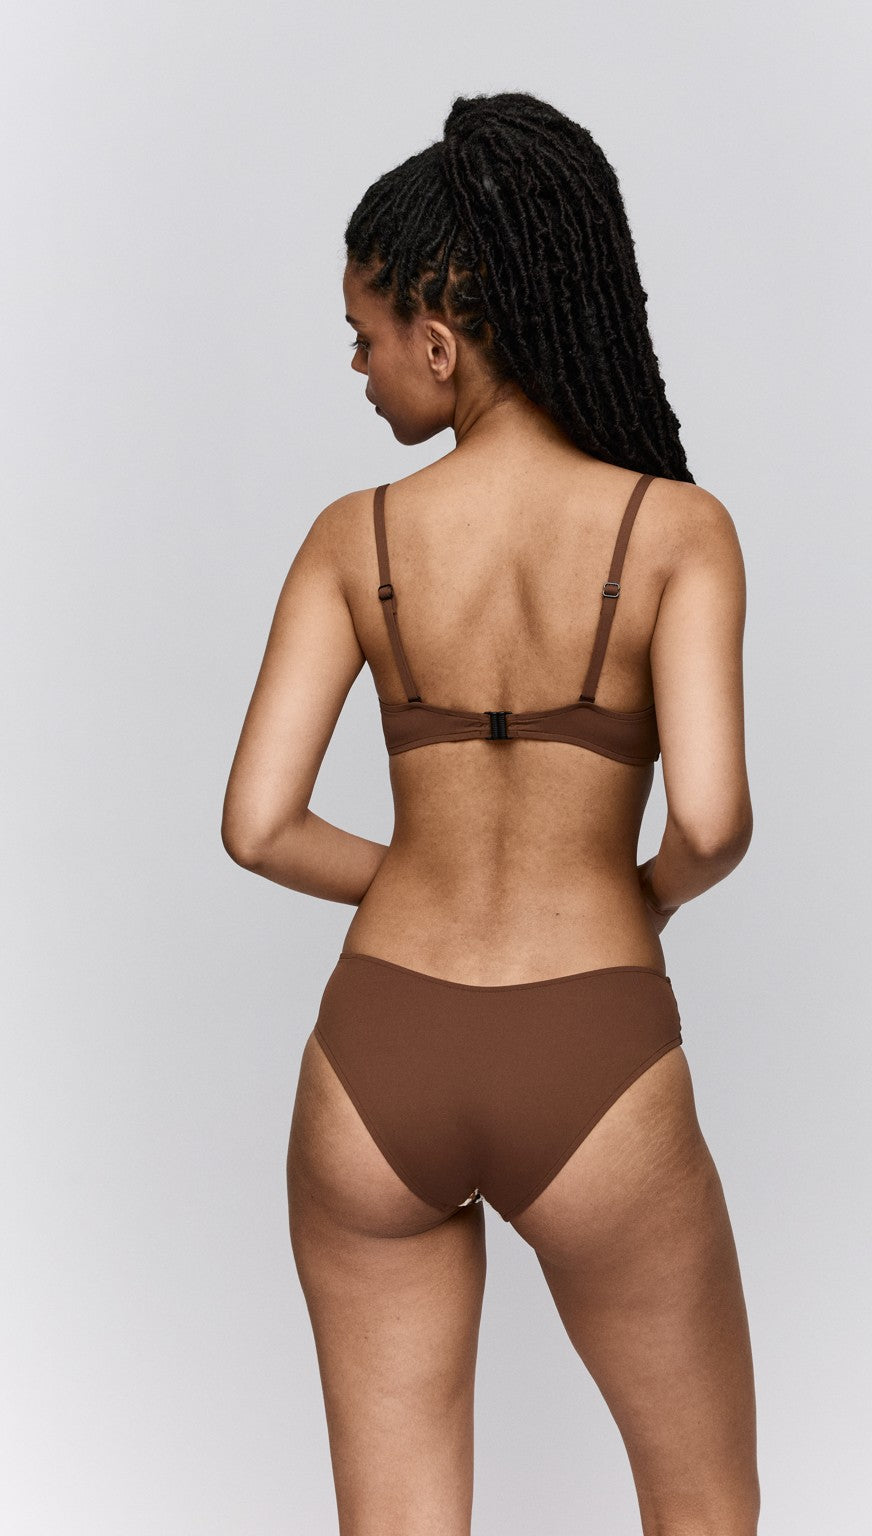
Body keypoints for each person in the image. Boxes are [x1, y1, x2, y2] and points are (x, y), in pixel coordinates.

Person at [222, 90, 758, 1536]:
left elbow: (258, 825)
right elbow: (713, 820)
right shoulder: (679, 532)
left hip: (376, 1051)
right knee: (703, 1511)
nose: (357, 366)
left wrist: (421, 875)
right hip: (593, 1044)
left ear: (442, 340)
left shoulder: (353, 539)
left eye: (366, 335)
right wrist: (635, 895)